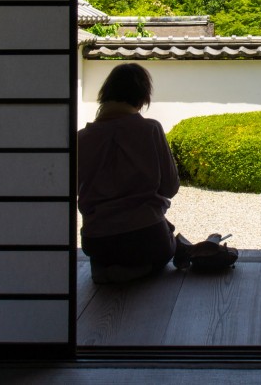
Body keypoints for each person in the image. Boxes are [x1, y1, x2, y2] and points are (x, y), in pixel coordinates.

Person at [77, 63, 237, 284]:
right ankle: (150, 264)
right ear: (142, 97)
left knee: (124, 247)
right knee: (165, 242)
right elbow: (170, 187)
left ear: (106, 94)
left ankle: (109, 268)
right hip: (148, 238)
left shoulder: (82, 138)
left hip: (98, 240)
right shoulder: (150, 129)